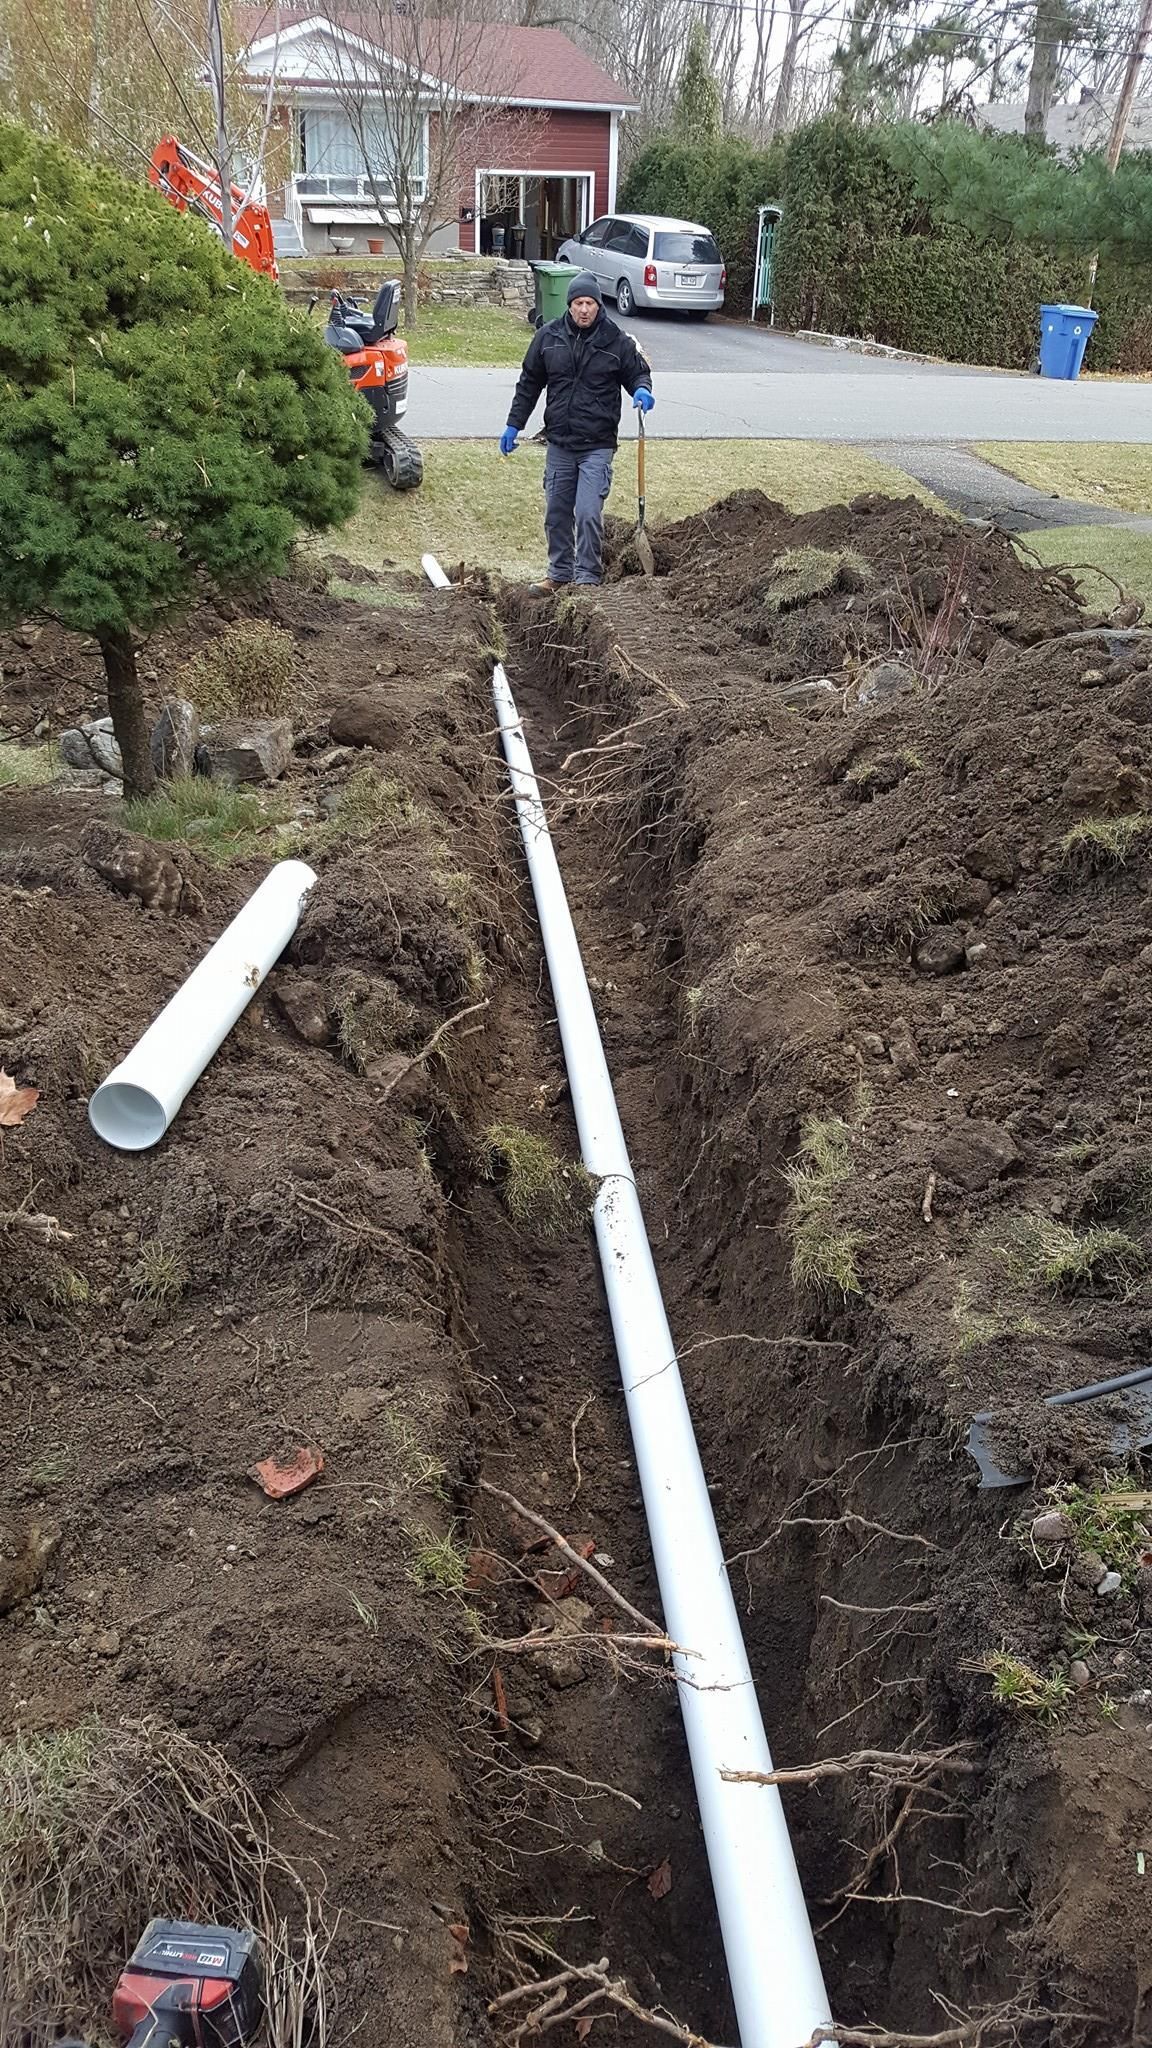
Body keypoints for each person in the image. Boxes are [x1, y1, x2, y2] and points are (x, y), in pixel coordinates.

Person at [499, 270, 654, 592]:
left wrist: (641, 390)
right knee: (556, 514)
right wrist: (514, 424)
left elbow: (638, 374)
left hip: (597, 444)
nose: (584, 309)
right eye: (578, 303)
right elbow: (529, 383)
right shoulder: (548, 337)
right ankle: (558, 574)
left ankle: (586, 578)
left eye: (590, 303)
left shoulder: (616, 341)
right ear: (569, 305)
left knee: (586, 513)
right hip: (559, 442)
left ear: (598, 305)